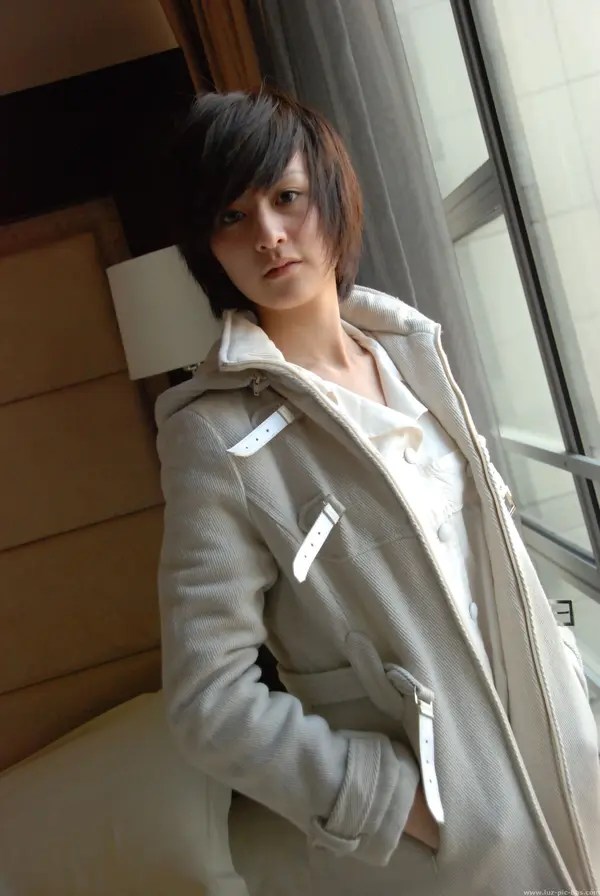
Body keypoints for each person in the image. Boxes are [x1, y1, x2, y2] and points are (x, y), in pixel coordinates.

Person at [156, 87, 599, 896]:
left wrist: (566, 672)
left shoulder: (413, 354)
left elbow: (494, 551)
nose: (268, 234)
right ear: (207, 249)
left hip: (569, 765)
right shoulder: (214, 435)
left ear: (331, 194)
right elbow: (207, 699)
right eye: (231, 216)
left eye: (287, 197)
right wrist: (400, 805)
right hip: (446, 853)